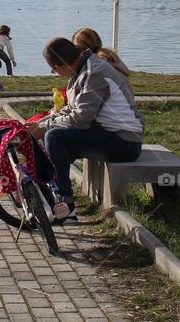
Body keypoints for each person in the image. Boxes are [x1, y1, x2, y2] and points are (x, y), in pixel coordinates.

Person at [26, 37, 144, 222]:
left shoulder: (93, 73)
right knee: (51, 138)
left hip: (125, 141)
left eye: (54, 70)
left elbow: (81, 119)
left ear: (59, 66)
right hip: (109, 134)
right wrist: (42, 122)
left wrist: (45, 127)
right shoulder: (82, 70)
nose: (56, 74)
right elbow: (71, 109)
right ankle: (51, 191)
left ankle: (65, 205)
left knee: (55, 137)